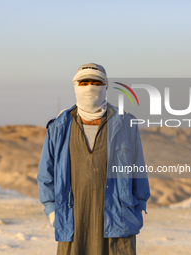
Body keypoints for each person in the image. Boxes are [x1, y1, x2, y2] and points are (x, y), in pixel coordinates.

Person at [37, 63, 150, 255]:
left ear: (105, 87)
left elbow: (138, 168)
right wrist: (52, 211)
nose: (90, 88)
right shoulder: (59, 126)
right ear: (76, 87)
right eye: (84, 82)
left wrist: (138, 209)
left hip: (118, 218)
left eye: (96, 82)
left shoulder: (126, 123)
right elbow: (45, 174)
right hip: (73, 219)